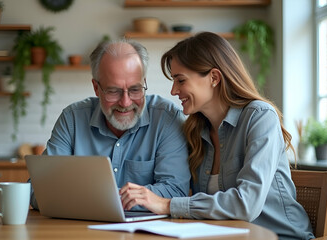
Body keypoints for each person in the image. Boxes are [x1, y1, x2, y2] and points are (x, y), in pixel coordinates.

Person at [119, 32, 315, 240]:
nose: (174, 90)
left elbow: (246, 205)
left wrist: (166, 204)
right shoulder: (196, 132)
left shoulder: (259, 117)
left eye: (181, 80)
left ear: (214, 77)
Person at [29, 38, 191, 210]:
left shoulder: (167, 119)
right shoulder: (72, 119)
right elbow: (38, 190)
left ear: (144, 83)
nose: (126, 102)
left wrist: (83, 198)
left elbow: (175, 192)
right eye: (114, 91)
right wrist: (124, 198)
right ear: (96, 88)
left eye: (135, 89)